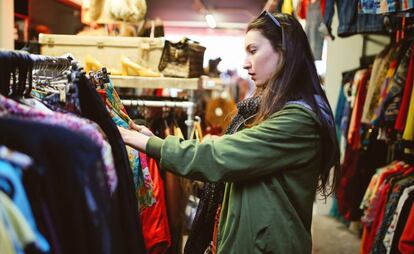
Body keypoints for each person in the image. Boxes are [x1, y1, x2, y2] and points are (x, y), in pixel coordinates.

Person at [118, 11, 340, 254]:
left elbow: (219, 156)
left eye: (253, 50)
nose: (245, 63)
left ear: (283, 51)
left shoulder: (298, 121)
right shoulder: (271, 109)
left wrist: (147, 143)